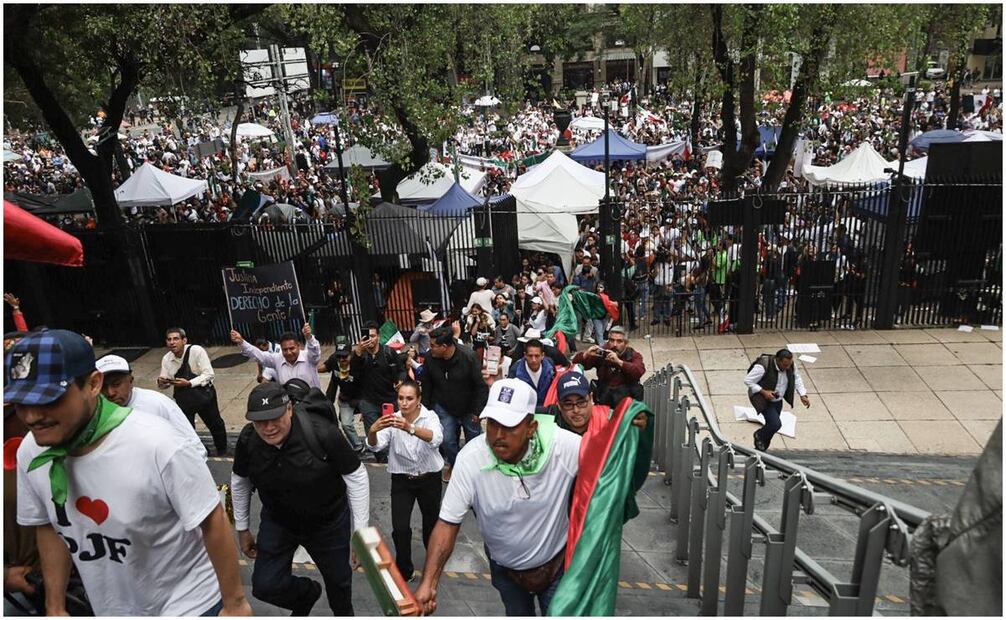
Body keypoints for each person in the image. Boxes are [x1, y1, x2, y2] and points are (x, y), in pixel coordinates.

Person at [10, 329, 249, 616]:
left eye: (49, 400)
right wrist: (55, 606)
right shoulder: (30, 452)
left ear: (93, 384)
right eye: (22, 403)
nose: (32, 417)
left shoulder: (158, 443)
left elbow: (212, 520)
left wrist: (234, 605)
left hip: (189, 605)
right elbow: (49, 526)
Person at [414, 379, 582, 616]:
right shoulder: (471, 458)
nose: (498, 435)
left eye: (510, 425)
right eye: (492, 424)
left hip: (557, 568)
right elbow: (447, 523)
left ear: (531, 427)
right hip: (506, 571)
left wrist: (635, 428)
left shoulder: (565, 448)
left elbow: (613, 465)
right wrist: (428, 584)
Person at [231, 382, 370, 616]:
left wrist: (360, 535)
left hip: (327, 524)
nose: (268, 428)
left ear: (289, 409)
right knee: (265, 585)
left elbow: (356, 477)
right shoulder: (248, 440)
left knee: (339, 585)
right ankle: (306, 595)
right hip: (279, 522)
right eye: (260, 421)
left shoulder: (322, 433)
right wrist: (242, 528)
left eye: (274, 418)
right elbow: (239, 481)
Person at [366, 380, 444, 581]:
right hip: (402, 480)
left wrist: (409, 427)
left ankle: (433, 564)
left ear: (418, 400)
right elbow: (376, 446)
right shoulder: (393, 420)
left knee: (431, 525)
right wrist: (373, 431)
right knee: (400, 528)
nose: (404, 403)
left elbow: (436, 439)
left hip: (429, 478)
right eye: (401, 398)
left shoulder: (430, 416)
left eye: (409, 398)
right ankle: (404, 568)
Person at [95, 354, 206, 460]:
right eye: (103, 387)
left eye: (116, 384)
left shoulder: (157, 403)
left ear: (131, 381)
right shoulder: (95, 414)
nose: (110, 393)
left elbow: (193, 445)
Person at [422, 325, 488, 483]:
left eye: (433, 346)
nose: (430, 349)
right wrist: (426, 411)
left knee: (474, 440)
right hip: (443, 406)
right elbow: (427, 385)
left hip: (469, 407)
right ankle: (456, 465)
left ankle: (474, 468)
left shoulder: (469, 356)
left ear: (444, 347)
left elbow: (481, 386)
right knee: (446, 439)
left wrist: (478, 412)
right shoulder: (430, 358)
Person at [157, 326, 228, 456]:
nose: (172, 342)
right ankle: (200, 452)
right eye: (169, 339)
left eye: (176, 339)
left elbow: (209, 374)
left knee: (215, 424)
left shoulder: (196, 351)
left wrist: (189, 383)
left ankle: (222, 450)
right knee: (187, 430)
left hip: (203, 395)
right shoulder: (166, 359)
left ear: (184, 340)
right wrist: (162, 382)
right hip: (184, 398)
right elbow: (164, 384)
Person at [351, 321, 403, 461]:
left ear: (378, 337)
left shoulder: (388, 352)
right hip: (369, 402)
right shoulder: (359, 355)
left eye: (373, 336)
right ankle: (381, 459)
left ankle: (395, 457)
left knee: (394, 431)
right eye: (368, 336)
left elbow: (401, 371)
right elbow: (353, 374)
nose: (370, 339)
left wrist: (400, 381)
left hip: (389, 400)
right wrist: (358, 353)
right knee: (373, 433)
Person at [743, 349, 811, 451]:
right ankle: (758, 435)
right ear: (778, 360)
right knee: (775, 424)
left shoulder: (790, 365)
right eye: (785, 365)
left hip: (777, 400)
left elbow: (797, 378)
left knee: (771, 427)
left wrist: (802, 394)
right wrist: (764, 392)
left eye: (789, 364)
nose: (787, 367)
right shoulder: (763, 366)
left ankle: (761, 449)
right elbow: (748, 380)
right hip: (763, 399)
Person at [571, 326, 646, 407]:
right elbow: (575, 365)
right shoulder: (602, 352)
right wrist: (586, 354)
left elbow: (639, 371)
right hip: (604, 397)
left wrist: (619, 362)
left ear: (626, 343)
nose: (614, 344)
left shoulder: (633, 355)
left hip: (625, 400)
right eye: (611, 340)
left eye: (619, 341)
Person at [232, 323, 322, 388]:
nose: (289, 352)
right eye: (285, 349)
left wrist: (309, 337)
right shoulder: (277, 359)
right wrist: (241, 342)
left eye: (292, 348)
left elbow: (315, 351)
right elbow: (259, 355)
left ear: (298, 346)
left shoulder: (309, 358)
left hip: (311, 406)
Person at [317, 337, 365, 453]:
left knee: (371, 422)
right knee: (346, 424)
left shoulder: (359, 360)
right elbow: (322, 368)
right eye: (339, 356)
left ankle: (376, 445)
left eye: (345, 356)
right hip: (345, 398)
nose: (342, 359)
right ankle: (358, 446)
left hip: (363, 397)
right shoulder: (334, 360)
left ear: (351, 354)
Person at [507, 339, 556, 408]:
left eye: (537, 356)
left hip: (545, 410)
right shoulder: (515, 370)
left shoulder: (550, 367)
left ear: (542, 355)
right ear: (525, 355)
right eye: (530, 356)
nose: (533, 360)